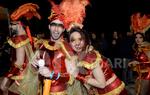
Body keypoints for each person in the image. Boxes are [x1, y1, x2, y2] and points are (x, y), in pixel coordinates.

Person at [65, 26, 127, 95]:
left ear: (85, 40)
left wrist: (77, 75)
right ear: (69, 43)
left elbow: (101, 84)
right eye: (73, 40)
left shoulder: (90, 57)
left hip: (112, 91)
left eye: (80, 39)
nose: (77, 43)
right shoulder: (82, 54)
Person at [0, 3, 41, 95]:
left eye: (13, 24)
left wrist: (6, 78)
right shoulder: (30, 38)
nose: (11, 27)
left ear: (19, 24)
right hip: (30, 77)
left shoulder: (19, 39)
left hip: (21, 78)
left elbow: (19, 62)